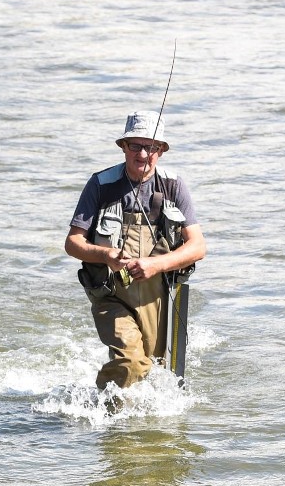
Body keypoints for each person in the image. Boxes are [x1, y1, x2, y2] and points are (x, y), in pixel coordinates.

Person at [65, 110, 206, 390]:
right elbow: (73, 243)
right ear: (123, 146)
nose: (143, 155)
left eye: (152, 147)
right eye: (135, 146)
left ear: (162, 151)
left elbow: (198, 246)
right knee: (132, 362)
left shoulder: (173, 185)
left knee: (155, 372)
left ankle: (135, 427)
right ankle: (107, 417)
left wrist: (157, 265)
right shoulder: (100, 185)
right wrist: (105, 255)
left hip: (159, 295)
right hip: (110, 295)